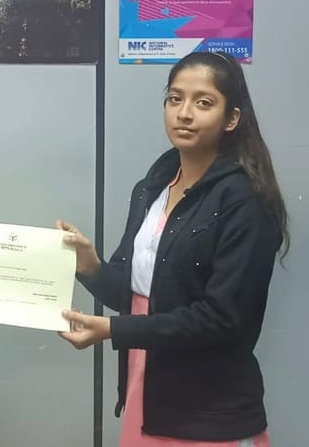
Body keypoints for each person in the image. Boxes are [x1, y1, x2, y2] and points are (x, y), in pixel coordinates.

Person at [58, 51, 289, 446]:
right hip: (148, 386)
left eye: (204, 103)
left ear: (231, 118)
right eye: (175, 98)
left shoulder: (245, 201)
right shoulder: (155, 185)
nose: (184, 113)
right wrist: (90, 266)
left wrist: (113, 330)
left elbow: (223, 318)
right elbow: (136, 295)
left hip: (207, 407)